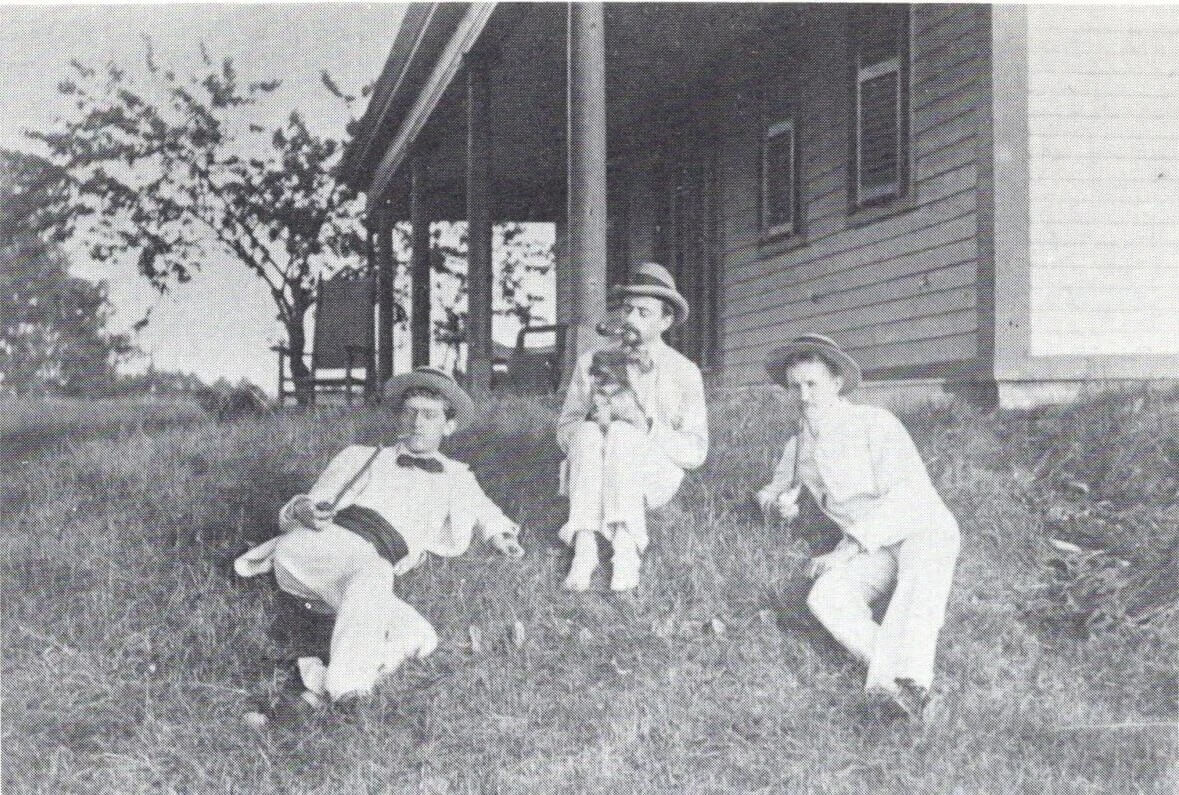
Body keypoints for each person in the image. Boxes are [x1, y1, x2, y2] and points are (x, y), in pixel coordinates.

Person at [234, 366, 524, 703]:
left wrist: (500, 534)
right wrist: (304, 510)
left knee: (421, 635)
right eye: (409, 412)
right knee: (375, 571)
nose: (417, 422)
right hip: (318, 549)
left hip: (367, 573)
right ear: (398, 418)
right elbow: (313, 501)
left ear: (449, 425)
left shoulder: (458, 477)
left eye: (429, 415)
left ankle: (315, 685)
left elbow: (484, 509)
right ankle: (348, 692)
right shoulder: (362, 456)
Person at [757, 334, 960, 720]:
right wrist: (775, 505)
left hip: (921, 527)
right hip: (873, 548)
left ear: (836, 383)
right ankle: (902, 685)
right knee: (826, 597)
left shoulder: (875, 424)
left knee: (916, 594)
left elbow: (908, 497)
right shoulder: (797, 447)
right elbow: (771, 490)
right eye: (795, 386)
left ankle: (905, 688)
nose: (803, 396)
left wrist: (846, 549)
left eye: (812, 384)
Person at [557, 262, 708, 592]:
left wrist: (644, 424)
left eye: (643, 312)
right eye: (627, 310)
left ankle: (626, 552)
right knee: (585, 433)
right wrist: (592, 426)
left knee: (625, 433)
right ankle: (584, 548)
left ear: (666, 321)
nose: (630, 320)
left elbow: (696, 451)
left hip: (652, 473)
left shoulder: (683, 371)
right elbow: (565, 425)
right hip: (593, 467)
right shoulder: (593, 361)